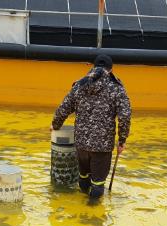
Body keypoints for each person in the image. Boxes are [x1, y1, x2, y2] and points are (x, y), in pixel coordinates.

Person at [51, 54, 132, 199]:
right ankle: (92, 211)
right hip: (102, 146)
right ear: (111, 69)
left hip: (81, 143)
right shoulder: (116, 88)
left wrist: (55, 125)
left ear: (93, 67)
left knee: (83, 176)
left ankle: (81, 205)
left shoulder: (80, 85)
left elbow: (64, 107)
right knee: (98, 183)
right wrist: (122, 140)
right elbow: (124, 117)